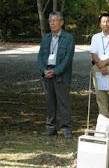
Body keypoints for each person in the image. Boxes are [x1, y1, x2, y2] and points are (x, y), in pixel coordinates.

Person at [37, 11, 75, 139]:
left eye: (55, 20)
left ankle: (66, 129)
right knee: (50, 102)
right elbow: (41, 56)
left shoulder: (68, 38)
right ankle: (50, 128)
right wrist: (44, 70)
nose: (52, 23)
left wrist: (56, 71)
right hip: (47, 73)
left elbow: (67, 59)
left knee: (63, 102)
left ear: (61, 22)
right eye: (50, 21)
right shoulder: (46, 38)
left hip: (61, 75)